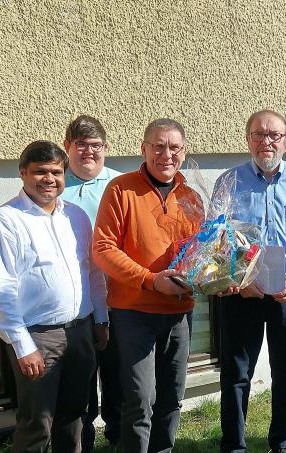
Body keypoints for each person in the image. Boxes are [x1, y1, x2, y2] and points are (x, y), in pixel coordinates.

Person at [0, 141, 107, 452]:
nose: (49, 179)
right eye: (40, 172)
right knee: (37, 423)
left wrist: (101, 319)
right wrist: (23, 345)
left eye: (56, 172)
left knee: (75, 415)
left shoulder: (76, 216)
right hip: (37, 337)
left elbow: (92, 272)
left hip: (80, 331)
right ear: (23, 173)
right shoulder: (4, 222)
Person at [217, 109, 286, 453]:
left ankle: (281, 441)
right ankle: (234, 446)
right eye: (258, 134)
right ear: (247, 139)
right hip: (242, 291)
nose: (266, 141)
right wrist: (239, 278)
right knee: (236, 374)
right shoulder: (229, 181)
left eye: (274, 135)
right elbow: (215, 241)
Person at [92, 118, 202, 453]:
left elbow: (200, 254)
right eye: (158, 146)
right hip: (134, 312)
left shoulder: (192, 197)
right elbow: (103, 249)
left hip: (180, 313)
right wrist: (151, 281)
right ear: (144, 149)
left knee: (172, 398)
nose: (166, 154)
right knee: (140, 399)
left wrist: (217, 274)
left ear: (184, 152)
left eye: (174, 147)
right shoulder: (121, 189)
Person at [60, 114, 123, 450]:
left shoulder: (121, 184)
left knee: (118, 371)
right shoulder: (54, 184)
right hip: (78, 299)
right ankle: (82, 439)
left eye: (95, 145)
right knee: (82, 375)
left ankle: (118, 433)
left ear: (106, 148)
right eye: (81, 145)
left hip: (119, 295)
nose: (89, 151)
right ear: (67, 147)